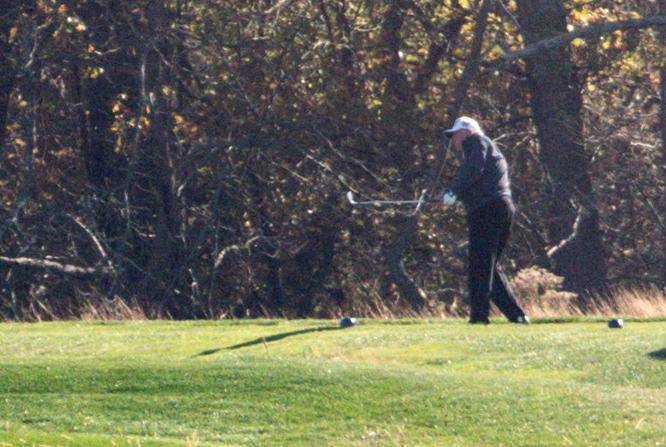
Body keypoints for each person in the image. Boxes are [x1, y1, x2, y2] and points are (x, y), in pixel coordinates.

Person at [442, 116, 529, 324]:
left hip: (487, 210)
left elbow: (473, 170)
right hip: (500, 208)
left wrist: (454, 191)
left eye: (456, 134)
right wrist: (456, 194)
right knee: (488, 265)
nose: (454, 140)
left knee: (479, 266)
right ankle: (517, 315)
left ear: (468, 131)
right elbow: (477, 176)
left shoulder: (477, 142)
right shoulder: (486, 147)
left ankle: (479, 318)